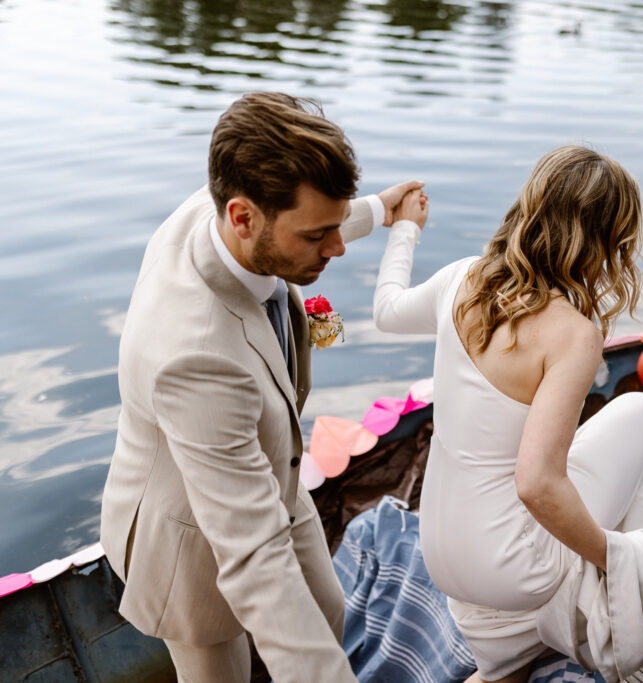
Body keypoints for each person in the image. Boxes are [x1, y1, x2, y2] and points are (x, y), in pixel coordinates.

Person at [99, 91, 424, 682]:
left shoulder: (226, 201)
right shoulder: (194, 355)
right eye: (317, 236)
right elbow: (254, 556)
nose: (337, 248)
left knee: (327, 611)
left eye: (336, 225)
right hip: (188, 540)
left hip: (272, 469)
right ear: (243, 217)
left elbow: (307, 215)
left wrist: (381, 209)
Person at [374, 145, 643, 683]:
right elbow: (537, 484)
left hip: (442, 551)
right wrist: (615, 557)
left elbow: (386, 312)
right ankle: (625, 592)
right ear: (607, 240)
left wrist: (405, 229)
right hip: (509, 567)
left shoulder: (460, 280)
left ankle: (512, 654)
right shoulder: (573, 334)